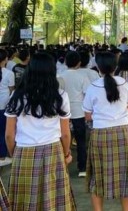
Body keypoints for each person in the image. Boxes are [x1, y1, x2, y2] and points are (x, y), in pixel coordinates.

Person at [5, 53, 75, 210]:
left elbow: (9, 134)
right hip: (53, 150)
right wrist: (66, 154)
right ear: (52, 71)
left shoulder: (16, 96)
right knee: (53, 198)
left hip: (23, 150)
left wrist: (13, 154)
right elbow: (65, 133)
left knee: (24, 199)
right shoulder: (60, 96)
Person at [82, 52, 128, 210]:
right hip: (121, 132)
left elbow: (87, 115)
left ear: (98, 67)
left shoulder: (93, 87)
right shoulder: (124, 83)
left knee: (97, 175)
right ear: (116, 66)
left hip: (100, 133)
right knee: (124, 174)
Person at [60, 51, 90, 177]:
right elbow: (87, 94)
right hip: (79, 112)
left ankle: (62, 167)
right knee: (81, 141)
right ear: (79, 63)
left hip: (62, 112)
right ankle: (82, 168)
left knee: (62, 140)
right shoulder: (82, 77)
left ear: (66, 62)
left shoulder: (60, 76)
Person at [0, 49, 15, 167]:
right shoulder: (9, 73)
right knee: (3, 130)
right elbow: (11, 90)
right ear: (5, 59)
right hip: (4, 105)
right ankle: (3, 155)